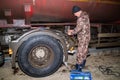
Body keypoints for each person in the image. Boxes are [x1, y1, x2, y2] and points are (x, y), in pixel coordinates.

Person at [68, 6, 91, 71]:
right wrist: (73, 30)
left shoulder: (81, 18)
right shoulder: (85, 15)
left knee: (80, 52)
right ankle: (82, 64)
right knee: (84, 51)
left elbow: (78, 29)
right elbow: (82, 27)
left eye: (74, 14)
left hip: (83, 38)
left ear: (77, 12)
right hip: (87, 37)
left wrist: (71, 32)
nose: (74, 15)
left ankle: (78, 67)